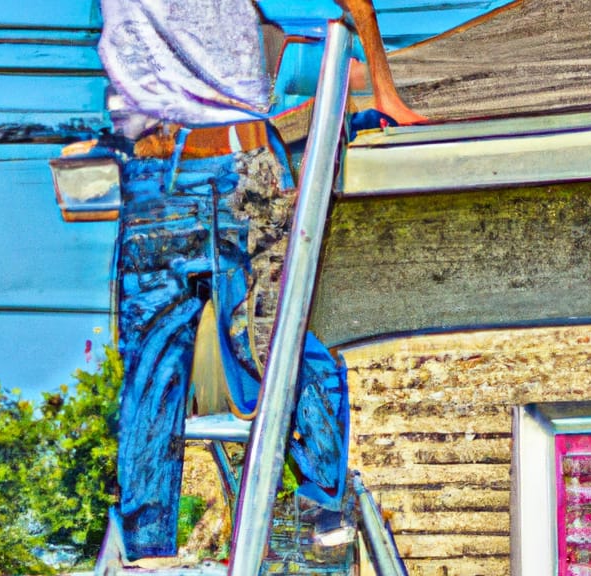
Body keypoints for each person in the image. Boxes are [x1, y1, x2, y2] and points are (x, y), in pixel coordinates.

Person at [90, 0, 423, 560]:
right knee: (151, 367)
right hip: (149, 174)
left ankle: (322, 500)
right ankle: (146, 549)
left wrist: (382, 92)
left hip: (235, 166)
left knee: (267, 341)